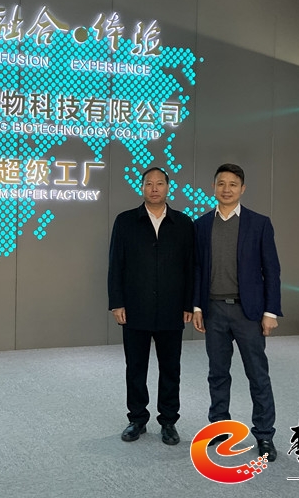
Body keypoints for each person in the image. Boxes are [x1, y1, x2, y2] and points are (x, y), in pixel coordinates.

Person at [192, 163, 283, 461]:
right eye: (221, 183)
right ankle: (219, 428)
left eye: (233, 184)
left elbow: (271, 270)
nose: (226, 189)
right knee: (217, 374)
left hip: (249, 312)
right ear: (213, 187)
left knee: (257, 374)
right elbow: (197, 269)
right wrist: (197, 307)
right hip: (214, 310)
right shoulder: (202, 224)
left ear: (242, 189)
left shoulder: (259, 223)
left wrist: (270, 312)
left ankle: (264, 435)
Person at [108, 167, 195, 445]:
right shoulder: (125, 221)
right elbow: (115, 264)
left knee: (171, 368)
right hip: (135, 307)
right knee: (135, 367)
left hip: (172, 307)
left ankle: (168, 421)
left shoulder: (183, 223)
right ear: (142, 187)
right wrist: (117, 302)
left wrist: (189, 303)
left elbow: (190, 267)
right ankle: (137, 419)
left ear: (168, 187)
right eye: (149, 184)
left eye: (159, 183)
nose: (154, 188)